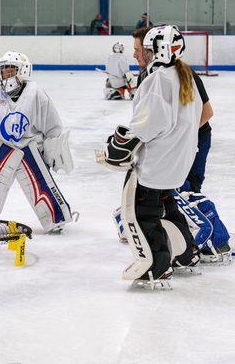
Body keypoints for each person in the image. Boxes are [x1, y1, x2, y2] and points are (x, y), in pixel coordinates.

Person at [97, 25, 202, 289]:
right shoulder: (185, 75)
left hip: (155, 165)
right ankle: (186, 254)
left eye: (143, 50)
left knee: (142, 214)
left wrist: (120, 143)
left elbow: (147, 125)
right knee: (168, 207)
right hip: (175, 164)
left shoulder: (160, 80)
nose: (138, 55)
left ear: (159, 50)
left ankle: (156, 266)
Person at [131, 26, 230, 263]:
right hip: (179, 142)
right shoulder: (151, 74)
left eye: (138, 49)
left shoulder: (183, 74)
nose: (135, 55)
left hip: (195, 140)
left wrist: (176, 139)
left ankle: (216, 240)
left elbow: (206, 113)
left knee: (185, 192)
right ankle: (187, 246)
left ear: (155, 50)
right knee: (172, 194)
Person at [0, 51, 74, 233]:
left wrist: (52, 152)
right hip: (2, 148)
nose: (5, 73)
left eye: (10, 69)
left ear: (23, 70)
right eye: (3, 69)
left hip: (29, 147)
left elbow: (52, 126)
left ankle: (56, 217)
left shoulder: (36, 93)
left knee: (41, 184)